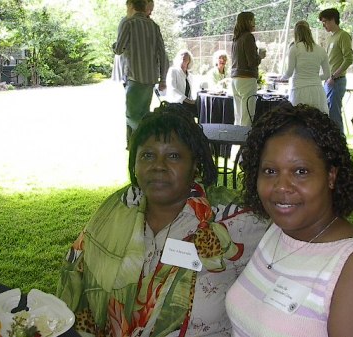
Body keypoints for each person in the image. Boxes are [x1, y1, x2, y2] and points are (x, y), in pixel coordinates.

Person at [56, 107, 269, 336]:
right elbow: (75, 279)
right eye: (148, 155)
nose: (158, 166)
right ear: (134, 163)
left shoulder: (234, 220)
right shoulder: (116, 211)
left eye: (173, 156)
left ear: (195, 164)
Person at [225, 103, 353, 337]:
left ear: (331, 176)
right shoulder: (278, 232)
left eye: (300, 171)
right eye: (270, 171)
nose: (281, 187)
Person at [113, 0, 169, 148]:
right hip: (150, 79)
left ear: (131, 6)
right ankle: (139, 148)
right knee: (144, 114)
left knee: (132, 117)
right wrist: (163, 78)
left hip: (134, 77)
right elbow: (162, 54)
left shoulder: (128, 24)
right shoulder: (154, 26)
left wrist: (115, 45)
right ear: (144, 6)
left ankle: (146, 143)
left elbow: (119, 49)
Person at [280, 20, 330, 114]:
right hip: (317, 89)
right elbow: (327, 75)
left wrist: (282, 77)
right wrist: (313, 78)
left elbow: (289, 72)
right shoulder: (321, 50)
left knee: (299, 120)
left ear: (295, 33)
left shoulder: (294, 48)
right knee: (318, 120)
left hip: (299, 89)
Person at [319, 8, 353, 132]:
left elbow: (349, 59)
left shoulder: (343, 35)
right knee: (328, 114)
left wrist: (333, 76)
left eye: (325, 22)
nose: (324, 25)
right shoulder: (330, 38)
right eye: (322, 23)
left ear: (333, 20)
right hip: (328, 81)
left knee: (334, 115)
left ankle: (340, 145)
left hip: (336, 81)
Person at [231, 11, 266, 126]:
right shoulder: (248, 37)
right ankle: (244, 143)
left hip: (235, 79)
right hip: (247, 79)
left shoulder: (236, 38)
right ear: (248, 21)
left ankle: (235, 142)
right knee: (247, 117)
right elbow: (252, 62)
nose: (254, 22)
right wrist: (260, 56)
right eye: (253, 20)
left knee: (238, 116)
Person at [166, 49, 198, 119]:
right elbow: (172, 89)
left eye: (186, 56)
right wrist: (187, 100)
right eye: (181, 55)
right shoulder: (173, 71)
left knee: (203, 109)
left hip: (187, 104)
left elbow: (191, 92)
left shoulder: (190, 76)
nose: (183, 56)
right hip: (176, 104)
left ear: (189, 60)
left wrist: (192, 100)